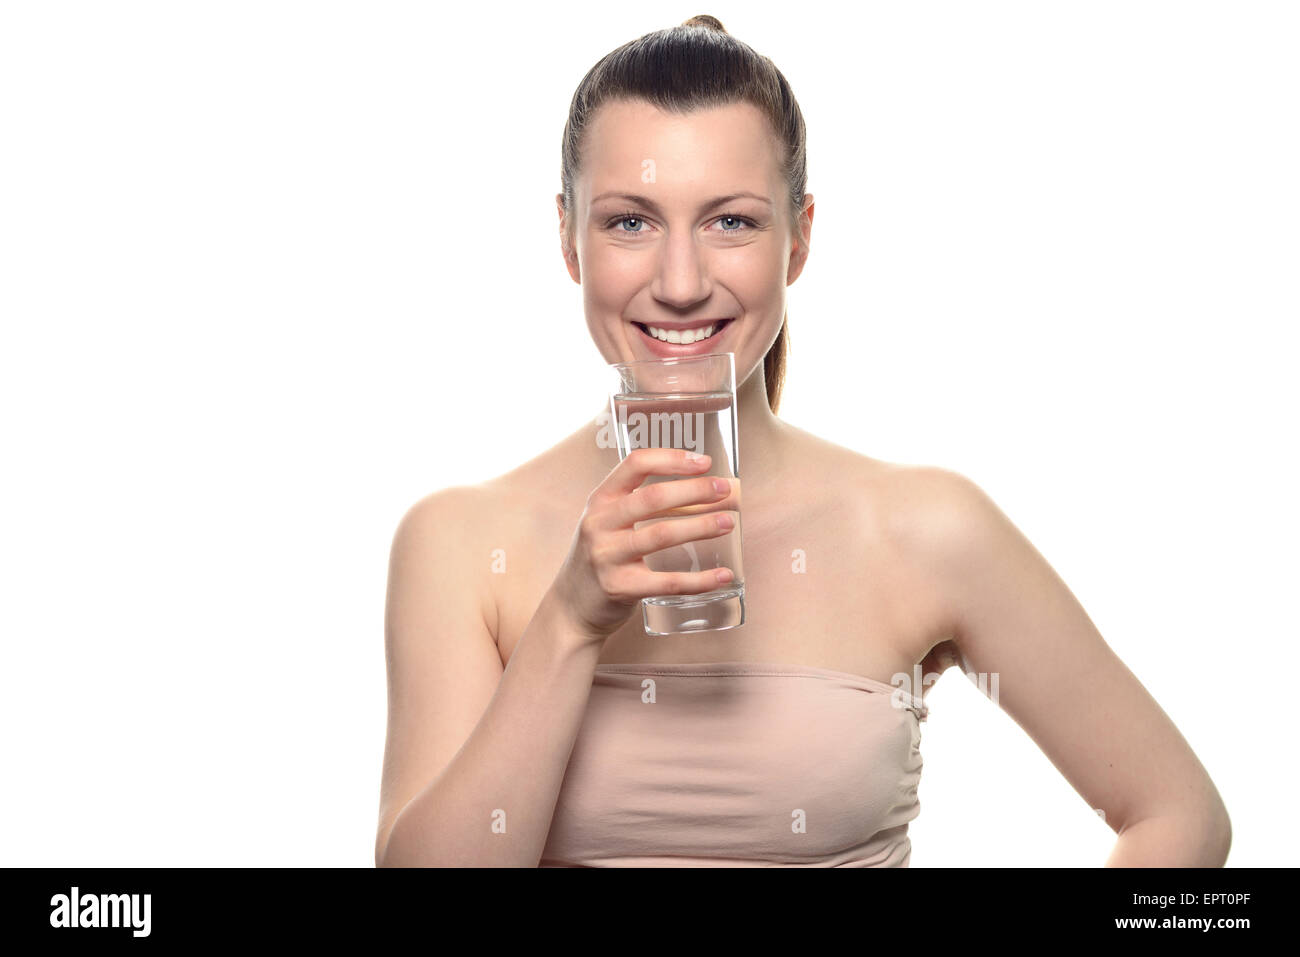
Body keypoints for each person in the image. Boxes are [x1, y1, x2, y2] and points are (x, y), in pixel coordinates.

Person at [375, 15, 1231, 867]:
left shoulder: (922, 526)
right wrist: (568, 618)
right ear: (568, 236)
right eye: (631, 222)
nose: (680, 282)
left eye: (732, 222)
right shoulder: (458, 543)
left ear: (801, 237)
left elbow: (1175, 813)